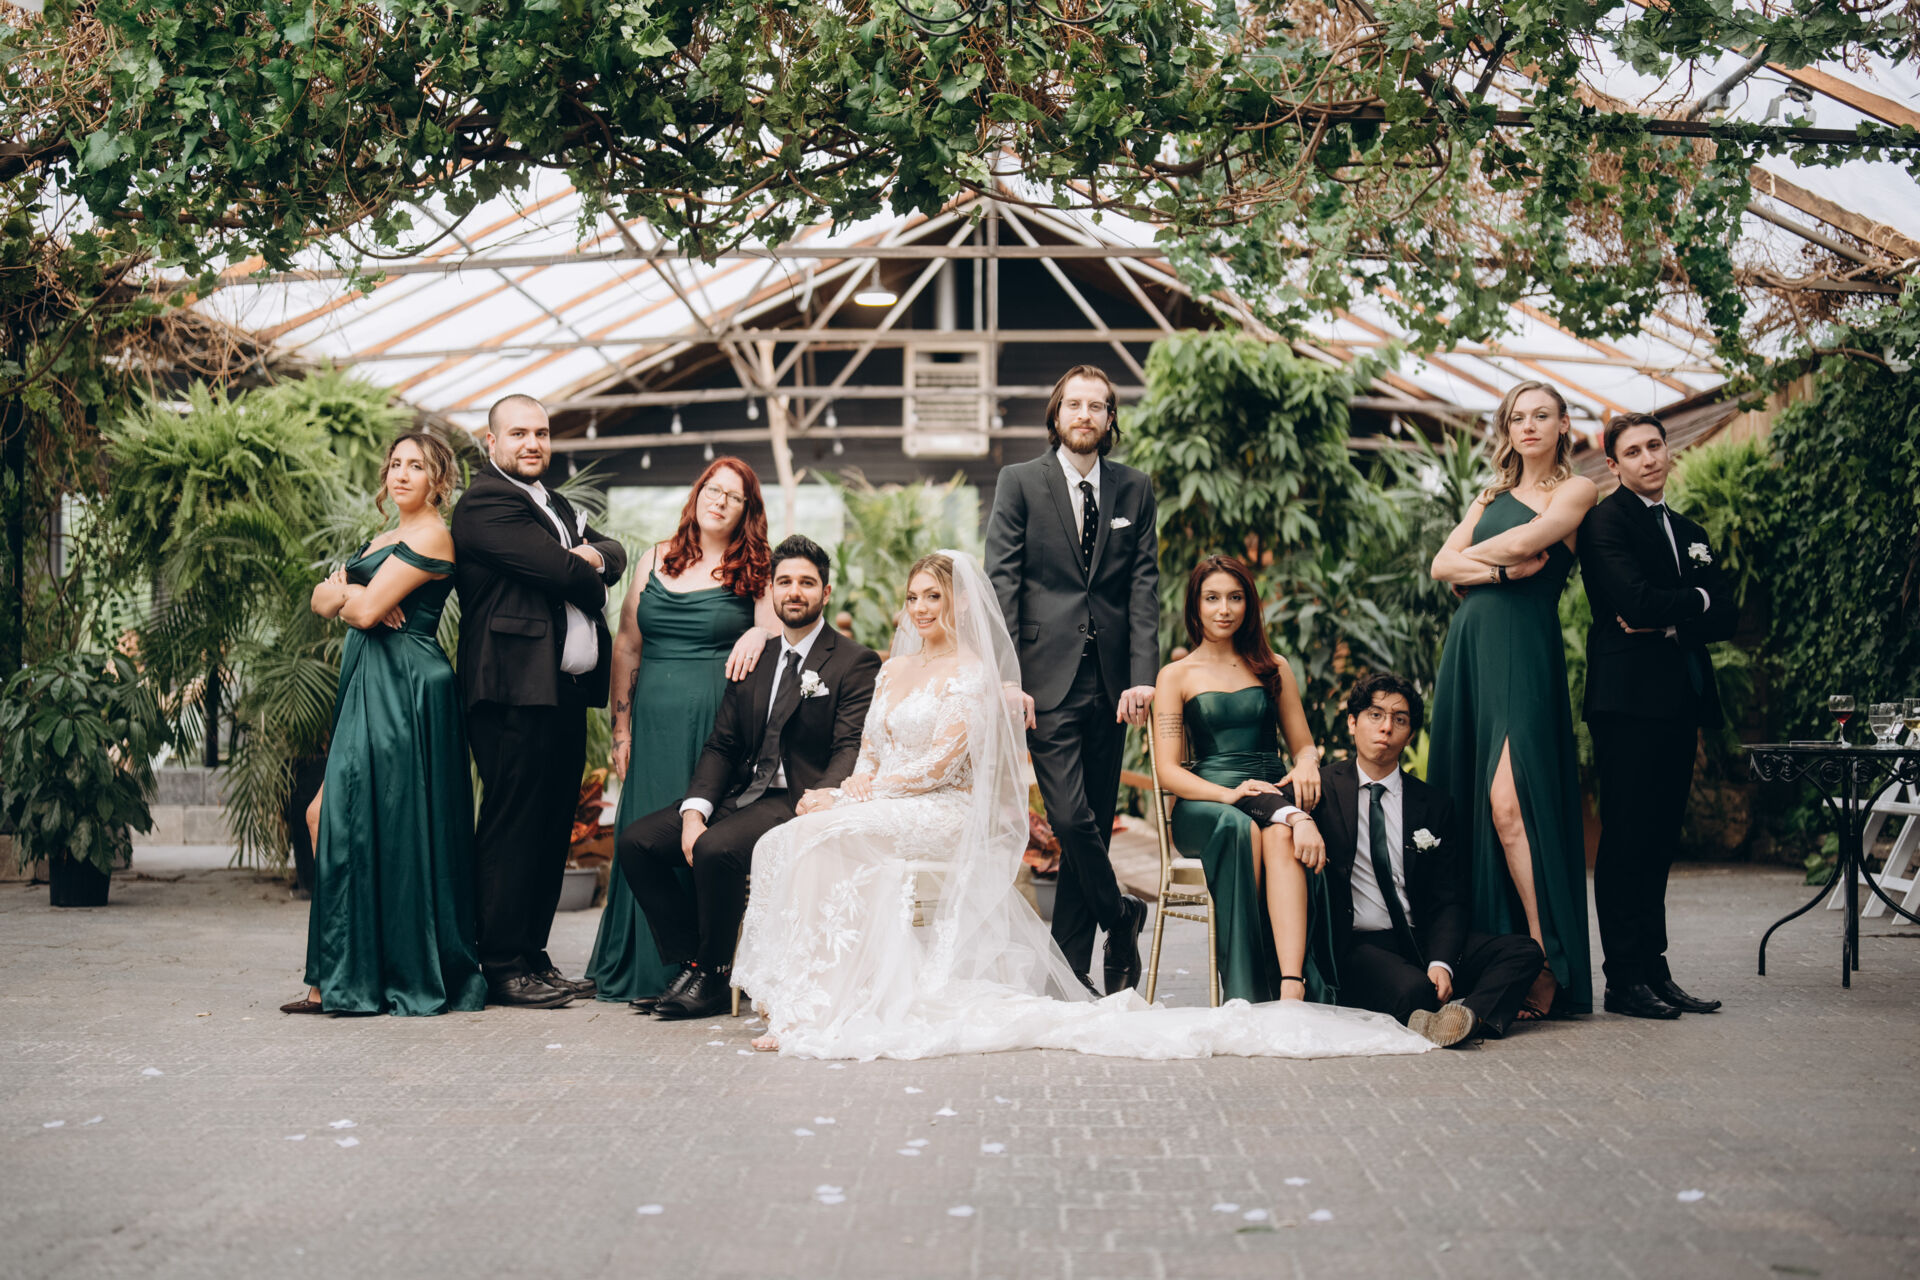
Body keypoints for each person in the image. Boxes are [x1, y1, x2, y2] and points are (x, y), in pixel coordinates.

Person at [733, 551, 1433, 1062]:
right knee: (788, 840)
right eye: (913, 597)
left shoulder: (974, 675)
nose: (921, 609)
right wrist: (848, 789)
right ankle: (805, 1002)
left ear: (958, 604)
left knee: (819, 840)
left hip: (939, 807)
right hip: (896, 798)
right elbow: (872, 753)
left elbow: (941, 764)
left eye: (933, 597)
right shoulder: (891, 669)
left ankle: (1285, 987)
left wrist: (1301, 768)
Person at [614, 535, 881, 1022]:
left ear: (825, 592)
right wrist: (695, 811)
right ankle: (693, 964)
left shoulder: (853, 661)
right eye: (785, 582)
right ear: (771, 590)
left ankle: (716, 977)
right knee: (638, 843)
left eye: (806, 583)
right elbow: (722, 744)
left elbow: (850, 745)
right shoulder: (756, 657)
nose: (794, 592)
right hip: (743, 794)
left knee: (716, 850)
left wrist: (823, 796)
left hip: (796, 799)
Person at [282, 433, 487, 1016]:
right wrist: (350, 591)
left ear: (437, 481)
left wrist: (348, 593)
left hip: (407, 687)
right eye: (395, 463)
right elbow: (321, 601)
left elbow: (366, 612)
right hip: (369, 681)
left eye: (415, 466)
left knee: (373, 821)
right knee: (331, 815)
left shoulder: (432, 535)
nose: (401, 474)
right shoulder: (383, 539)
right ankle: (339, 975)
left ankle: (352, 977)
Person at [985, 365, 1160, 996]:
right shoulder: (1019, 482)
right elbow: (1002, 582)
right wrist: (1008, 677)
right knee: (1069, 815)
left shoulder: (1135, 488)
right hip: (1043, 681)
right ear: (1056, 414)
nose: (1085, 415)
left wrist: (1143, 676)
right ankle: (1122, 914)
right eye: (1075, 405)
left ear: (1110, 419)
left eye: (1098, 406)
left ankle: (1070, 972)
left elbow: (1143, 586)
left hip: (1112, 685)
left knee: (1098, 816)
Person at [1427, 381, 1597, 1019]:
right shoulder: (1491, 494)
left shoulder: (1577, 490)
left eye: (1541, 415)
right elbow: (1439, 567)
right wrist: (1494, 571)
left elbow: (1525, 545)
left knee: (1508, 804)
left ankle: (1546, 960)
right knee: (1475, 805)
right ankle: (1495, 961)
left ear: (1562, 425)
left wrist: (1470, 562)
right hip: (1471, 649)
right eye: (1517, 417)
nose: (1528, 426)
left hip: (1525, 650)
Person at [451, 394, 627, 1009]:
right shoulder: (485, 503)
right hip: (510, 690)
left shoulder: (556, 503)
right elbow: (566, 574)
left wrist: (592, 555)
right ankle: (500, 964)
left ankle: (532, 956)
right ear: (492, 441)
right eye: (519, 433)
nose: (533, 444)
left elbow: (615, 553)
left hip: (562, 693)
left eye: (542, 434)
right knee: (513, 826)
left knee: (551, 830)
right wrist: (585, 563)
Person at [587, 458, 777, 1009]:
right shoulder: (653, 558)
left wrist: (757, 636)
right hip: (652, 726)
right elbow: (627, 645)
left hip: (716, 725)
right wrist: (621, 729)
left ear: (747, 511)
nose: (719, 501)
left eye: (734, 497)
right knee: (641, 835)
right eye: (713, 490)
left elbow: (777, 632)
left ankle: (703, 969)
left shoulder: (756, 567)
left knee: (697, 838)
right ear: (697, 494)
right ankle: (648, 963)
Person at [1282, 674, 1546, 1046]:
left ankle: (1469, 1018)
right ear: (1353, 722)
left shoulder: (1433, 804)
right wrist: (1298, 819)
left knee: (1524, 952)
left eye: (1400, 719)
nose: (1386, 727)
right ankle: (1444, 1012)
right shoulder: (1322, 788)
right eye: (1375, 715)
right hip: (1360, 946)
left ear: (1409, 735)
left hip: (1422, 938)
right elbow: (1262, 802)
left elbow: (1450, 897)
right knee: (1414, 991)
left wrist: (1442, 962)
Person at [1578, 412, 1738, 1019]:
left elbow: (1725, 614)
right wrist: (1693, 602)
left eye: (1655, 446)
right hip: (1625, 703)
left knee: (1662, 840)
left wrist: (1678, 613)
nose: (1648, 458)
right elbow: (1634, 603)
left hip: (1679, 701)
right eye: (1633, 452)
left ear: (1668, 451)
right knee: (1626, 839)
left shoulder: (1690, 529)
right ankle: (1623, 980)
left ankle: (1655, 970)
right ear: (1613, 465)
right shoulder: (1605, 523)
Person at [1151, 555, 1332, 1003]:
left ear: (1249, 604)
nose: (1224, 609)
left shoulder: (1273, 666)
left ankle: (1291, 985)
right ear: (1195, 606)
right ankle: (1247, 989)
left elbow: (1303, 745)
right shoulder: (1175, 676)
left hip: (1270, 794)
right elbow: (1168, 770)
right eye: (1212, 598)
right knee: (1239, 827)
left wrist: (1307, 763)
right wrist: (1228, 794)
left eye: (1235, 598)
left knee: (1278, 833)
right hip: (1206, 802)